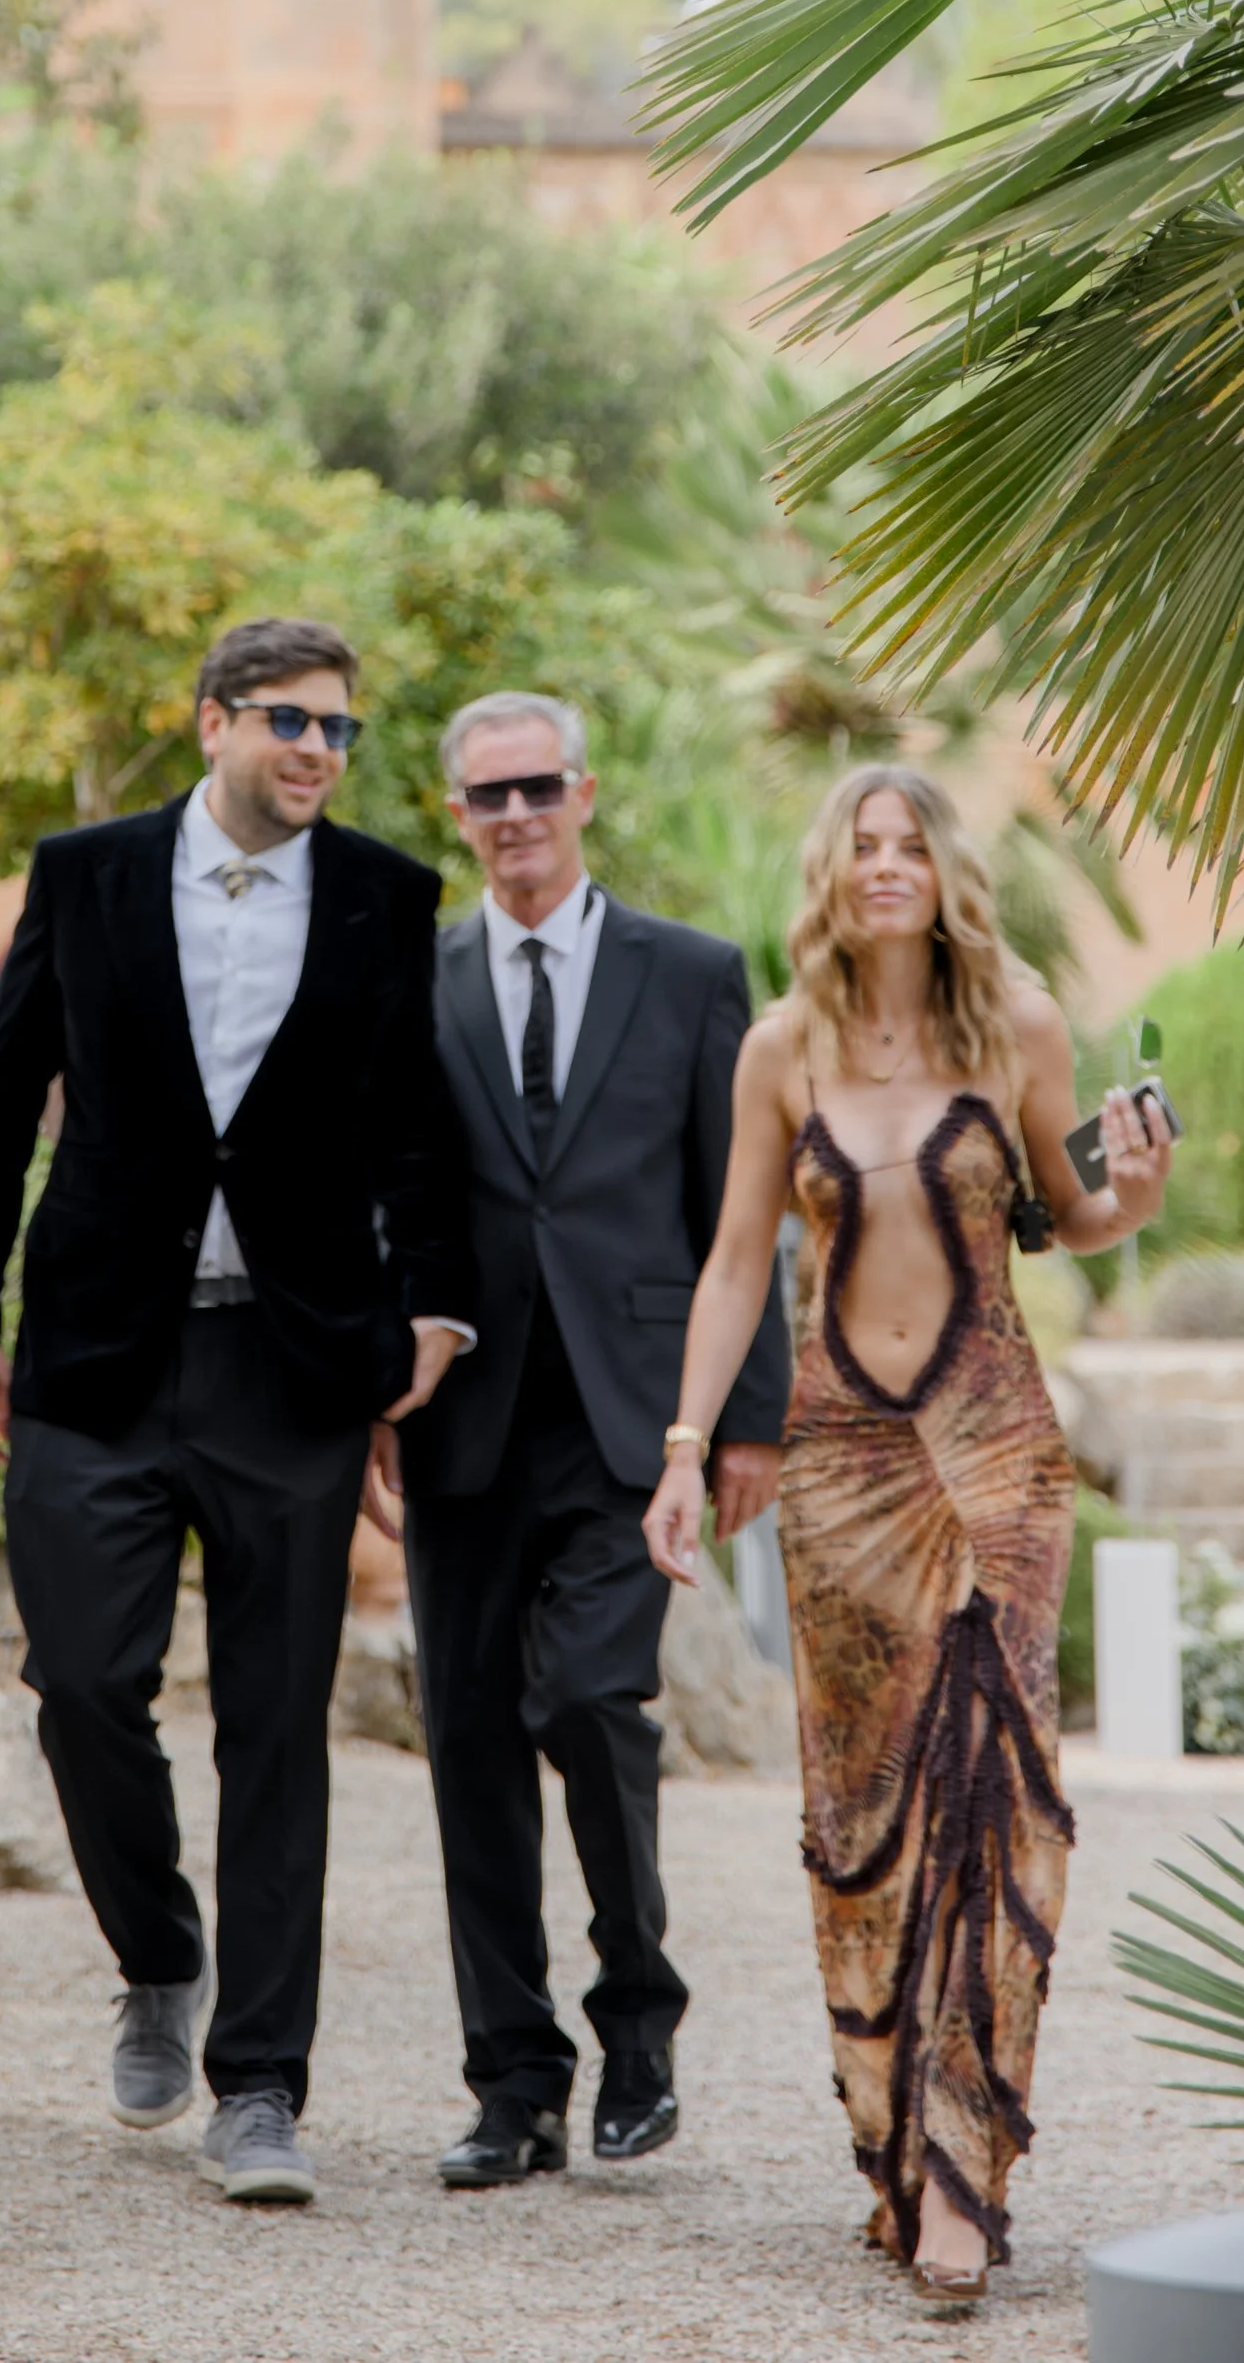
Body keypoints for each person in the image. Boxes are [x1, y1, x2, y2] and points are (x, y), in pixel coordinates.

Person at [0, 616, 475, 2208]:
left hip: (292, 1367)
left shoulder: (386, 896)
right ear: (213, 724)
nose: (318, 751)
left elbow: (416, 1135)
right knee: (84, 1684)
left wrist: (429, 1312)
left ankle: (261, 2087)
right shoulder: (87, 873)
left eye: (341, 732)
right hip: (96, 1355)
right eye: (290, 723)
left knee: (275, 1731)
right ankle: (158, 1956)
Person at [644, 765, 1173, 2309]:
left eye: (912, 846)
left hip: (995, 1449)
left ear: (947, 871)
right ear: (832, 872)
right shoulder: (778, 1048)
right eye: (863, 847)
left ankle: (964, 2172)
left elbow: (1067, 1214)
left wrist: (1129, 1195)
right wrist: (686, 1451)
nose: (888, 868)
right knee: (868, 1813)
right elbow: (738, 1260)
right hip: (840, 1460)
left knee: (998, 1791)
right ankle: (892, 2146)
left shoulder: (1016, 1020)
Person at [384, 690, 788, 2192]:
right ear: (457, 813)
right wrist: (376, 1388)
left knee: (592, 1700)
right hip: (463, 1418)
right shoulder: (411, 986)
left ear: (585, 792)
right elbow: (391, 1212)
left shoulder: (690, 977)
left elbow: (743, 1223)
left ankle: (641, 2017)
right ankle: (513, 2084)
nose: (515, 815)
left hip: (635, 1418)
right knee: (471, 1745)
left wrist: (745, 1421)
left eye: (537, 786)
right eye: (487, 795)